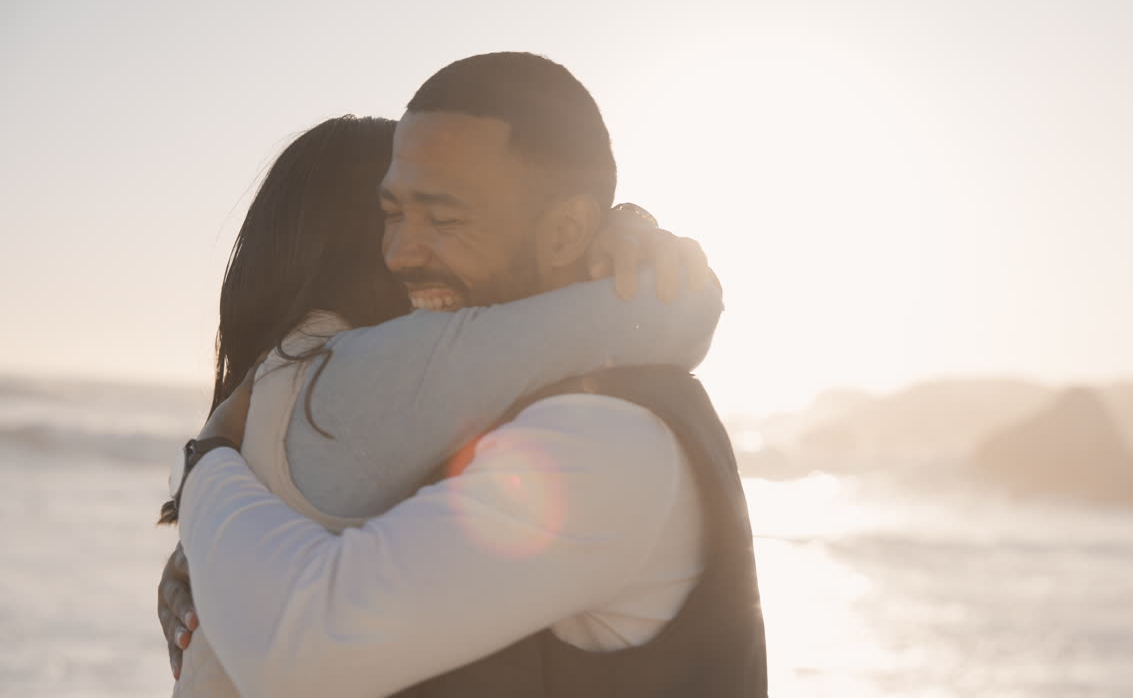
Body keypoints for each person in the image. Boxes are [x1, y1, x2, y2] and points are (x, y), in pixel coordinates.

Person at [162, 52, 768, 697]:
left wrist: (206, 465)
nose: (401, 255)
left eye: (444, 218)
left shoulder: (607, 438)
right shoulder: (406, 419)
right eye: (391, 216)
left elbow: (305, 646)